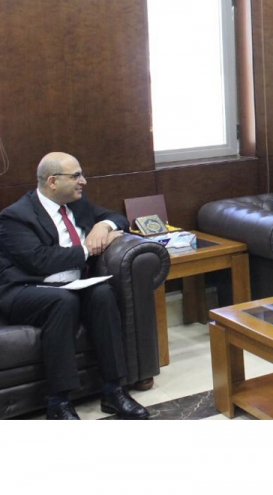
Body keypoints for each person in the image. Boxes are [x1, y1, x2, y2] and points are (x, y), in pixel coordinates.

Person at [0, 152, 150, 419]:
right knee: (62, 301)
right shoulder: (15, 216)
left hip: (73, 284)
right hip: (25, 289)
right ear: (53, 181)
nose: (84, 181)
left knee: (103, 293)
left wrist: (102, 226)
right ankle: (59, 402)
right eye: (76, 176)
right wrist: (87, 249)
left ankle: (114, 390)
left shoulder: (78, 204)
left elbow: (116, 217)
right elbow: (39, 261)